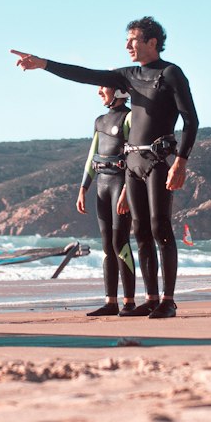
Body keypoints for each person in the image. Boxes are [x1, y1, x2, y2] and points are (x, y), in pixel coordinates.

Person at [12, 16, 198, 319]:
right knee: (140, 232)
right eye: (126, 40)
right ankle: (150, 298)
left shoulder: (171, 73)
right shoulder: (129, 76)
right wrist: (43, 64)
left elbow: (191, 120)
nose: (128, 46)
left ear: (152, 42)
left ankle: (168, 300)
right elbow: (85, 75)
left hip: (158, 159)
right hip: (133, 162)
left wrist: (181, 162)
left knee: (159, 227)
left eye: (133, 40)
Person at [77, 85, 136, 317]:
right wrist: (83, 188)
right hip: (102, 184)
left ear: (119, 91)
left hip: (121, 184)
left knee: (120, 242)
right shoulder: (100, 121)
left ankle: (129, 302)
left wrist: (126, 193)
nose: (99, 92)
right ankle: (110, 302)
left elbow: (134, 157)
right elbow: (92, 156)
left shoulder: (130, 117)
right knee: (106, 244)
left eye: (104, 88)